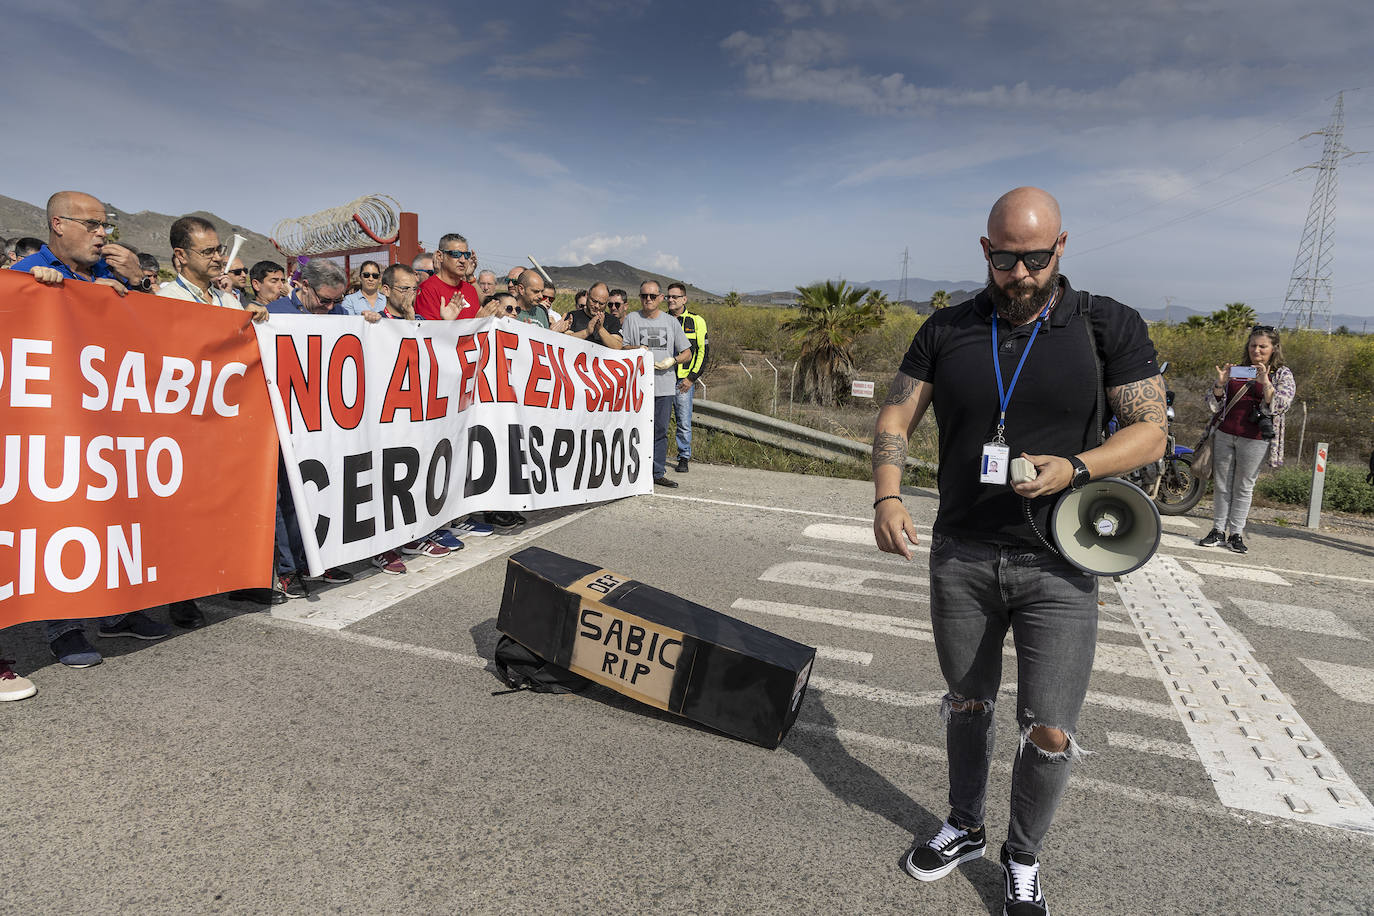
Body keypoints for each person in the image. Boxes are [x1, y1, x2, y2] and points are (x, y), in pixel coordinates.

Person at [870, 187, 1166, 916]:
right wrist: (886, 492)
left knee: (1051, 728)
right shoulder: (947, 327)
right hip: (963, 553)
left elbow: (1151, 430)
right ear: (986, 251)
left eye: (1036, 257)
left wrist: (1080, 467)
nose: (1021, 272)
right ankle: (965, 824)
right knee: (968, 702)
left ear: (1061, 247)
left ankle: (1023, 855)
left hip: (1061, 562)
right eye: (1006, 257)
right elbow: (899, 410)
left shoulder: (1106, 325)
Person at [7, 190, 172, 668]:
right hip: (53, 428)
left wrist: (138, 285)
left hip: (112, 425)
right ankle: (64, 626)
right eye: (94, 225)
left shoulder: (109, 275)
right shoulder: (24, 275)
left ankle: (119, 611)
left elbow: (156, 336)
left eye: (107, 227)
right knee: (61, 523)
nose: (104, 235)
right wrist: (36, 292)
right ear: (59, 225)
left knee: (117, 519)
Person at [1197, 325, 1296, 554]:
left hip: (1255, 438)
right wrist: (1220, 384)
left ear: (1273, 348)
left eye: (1263, 346)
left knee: (1243, 486)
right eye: (1253, 345)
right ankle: (1218, 530)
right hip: (1226, 433)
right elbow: (1214, 404)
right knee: (1222, 485)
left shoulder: (1282, 374)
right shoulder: (1238, 370)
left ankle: (1236, 533)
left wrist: (1266, 382)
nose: (1257, 350)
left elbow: (1280, 406)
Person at [622, 280, 692, 488]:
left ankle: (657, 472)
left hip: (664, 386)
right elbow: (622, 347)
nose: (648, 300)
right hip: (638, 386)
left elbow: (687, 353)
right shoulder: (631, 319)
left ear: (661, 297)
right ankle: (633, 470)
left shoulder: (671, 323)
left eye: (653, 296)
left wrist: (672, 360)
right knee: (635, 429)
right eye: (644, 296)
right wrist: (637, 349)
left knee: (660, 430)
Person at [158, 216, 261, 318]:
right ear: (181, 255)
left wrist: (248, 318)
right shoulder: (165, 301)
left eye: (219, 250)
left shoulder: (229, 302)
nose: (218, 258)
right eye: (208, 252)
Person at [665, 283, 708, 473]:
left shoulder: (696, 321)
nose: (671, 300)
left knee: (683, 421)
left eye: (675, 296)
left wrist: (691, 378)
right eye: (669, 296)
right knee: (660, 421)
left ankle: (683, 457)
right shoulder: (661, 319)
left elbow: (703, 353)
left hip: (683, 381)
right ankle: (657, 457)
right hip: (662, 379)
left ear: (684, 299)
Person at [415, 234, 480, 320]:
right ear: (440, 256)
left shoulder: (470, 290)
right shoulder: (427, 290)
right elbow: (428, 331)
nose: (463, 260)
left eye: (466, 255)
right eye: (456, 254)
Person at [566, 281, 622, 348]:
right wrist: (586, 332)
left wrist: (600, 329)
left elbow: (618, 346)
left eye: (601, 304)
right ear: (587, 296)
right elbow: (564, 341)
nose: (597, 306)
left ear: (607, 302)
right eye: (594, 301)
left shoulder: (613, 321)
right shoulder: (573, 316)